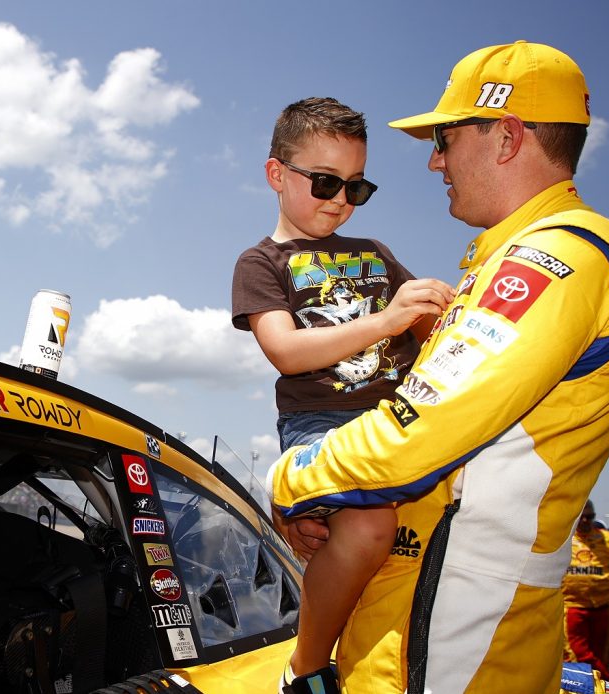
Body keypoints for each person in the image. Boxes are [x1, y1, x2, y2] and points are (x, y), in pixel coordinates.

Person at [266, 40, 609, 693]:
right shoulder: (511, 261)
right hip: (422, 636)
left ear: (505, 137)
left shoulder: (559, 257)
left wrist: (293, 479)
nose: (433, 160)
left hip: (450, 652)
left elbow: (414, 434)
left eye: (446, 139)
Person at [231, 96, 454, 693]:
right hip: (321, 425)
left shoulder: (377, 255)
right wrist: (387, 321)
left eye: (356, 188)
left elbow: (435, 334)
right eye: (325, 182)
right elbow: (286, 351)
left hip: (399, 421)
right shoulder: (261, 262)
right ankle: (305, 668)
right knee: (370, 527)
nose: (339, 200)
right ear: (277, 174)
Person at [563, 500, 609, 686]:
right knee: (577, 655)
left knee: (601, 656)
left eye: (591, 517)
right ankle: (605, 687)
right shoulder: (564, 537)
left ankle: (602, 687)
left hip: (603, 608)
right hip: (573, 607)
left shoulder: (607, 539)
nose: (586, 521)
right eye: (583, 517)